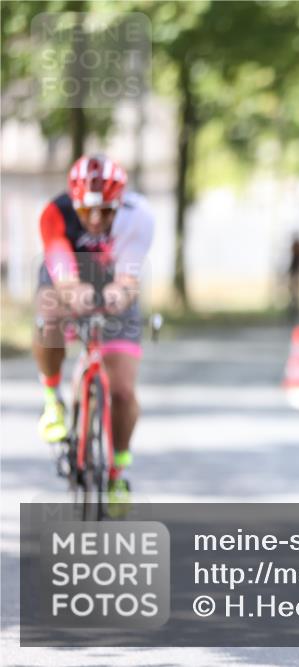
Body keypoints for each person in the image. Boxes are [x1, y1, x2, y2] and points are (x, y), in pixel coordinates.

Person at [34, 154, 155, 513]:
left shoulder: (140, 216)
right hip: (68, 276)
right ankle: (52, 400)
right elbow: (58, 260)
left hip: (114, 280)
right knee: (49, 316)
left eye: (107, 211)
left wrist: (121, 292)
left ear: (121, 204)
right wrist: (72, 289)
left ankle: (117, 471)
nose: (98, 220)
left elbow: (130, 276)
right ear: (74, 202)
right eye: (88, 212)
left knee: (122, 390)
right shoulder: (54, 212)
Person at [287, 232, 299, 322]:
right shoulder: (298, 247)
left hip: (296, 274)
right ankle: (294, 310)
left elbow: (296, 262)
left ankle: (295, 311)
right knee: (294, 293)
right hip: (295, 273)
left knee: (295, 293)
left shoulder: (297, 247)